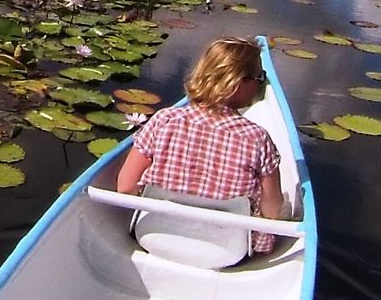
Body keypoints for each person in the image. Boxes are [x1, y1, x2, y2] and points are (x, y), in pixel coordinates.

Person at [115, 37, 286, 263]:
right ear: (236, 83)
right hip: (226, 253)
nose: (260, 84)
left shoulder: (164, 120)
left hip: (151, 236)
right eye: (259, 78)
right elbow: (272, 210)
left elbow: (125, 186)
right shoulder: (257, 138)